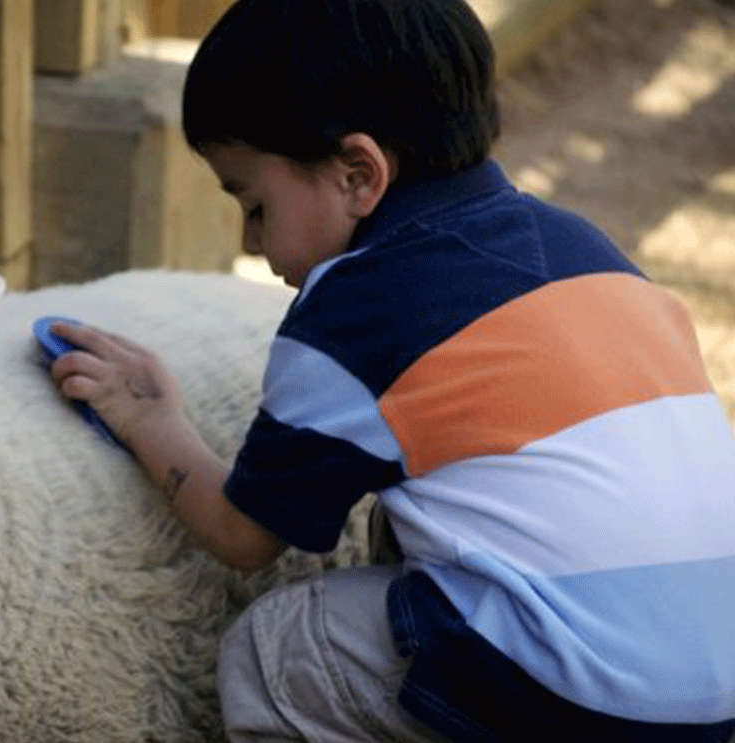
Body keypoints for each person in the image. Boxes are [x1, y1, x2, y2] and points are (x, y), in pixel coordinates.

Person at [45, 0, 735, 741]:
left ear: (356, 174)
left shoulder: (358, 311)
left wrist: (151, 416)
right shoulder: (584, 245)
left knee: (277, 650)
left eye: (255, 203)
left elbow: (243, 535)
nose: (253, 244)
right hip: (713, 685)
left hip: (585, 693)